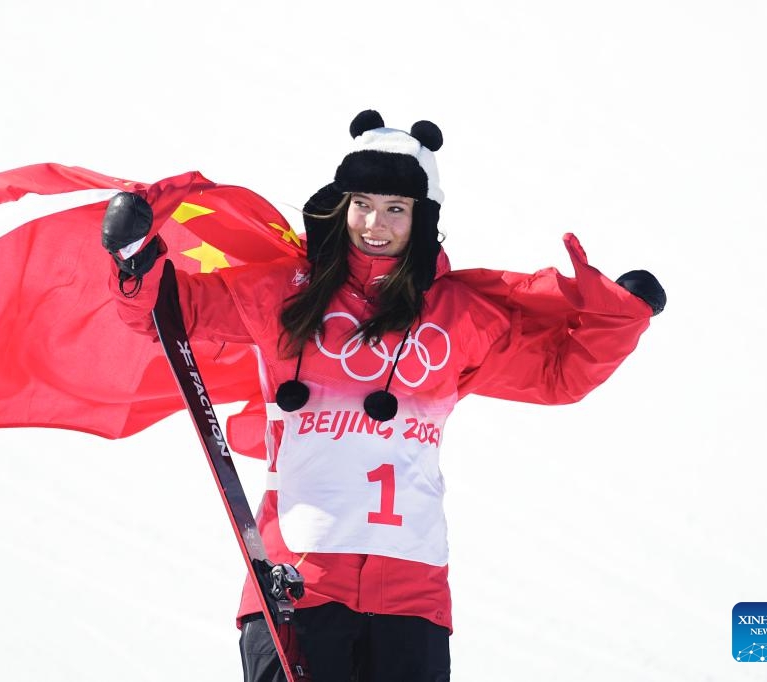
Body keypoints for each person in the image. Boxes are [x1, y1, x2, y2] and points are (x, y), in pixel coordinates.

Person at [100, 109, 665, 682]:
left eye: (396, 209)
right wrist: (134, 262)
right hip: (298, 579)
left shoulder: (459, 317)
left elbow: (557, 374)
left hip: (411, 593)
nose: (376, 222)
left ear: (421, 219)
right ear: (342, 204)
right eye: (363, 203)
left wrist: (617, 320)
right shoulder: (285, 294)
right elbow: (171, 313)